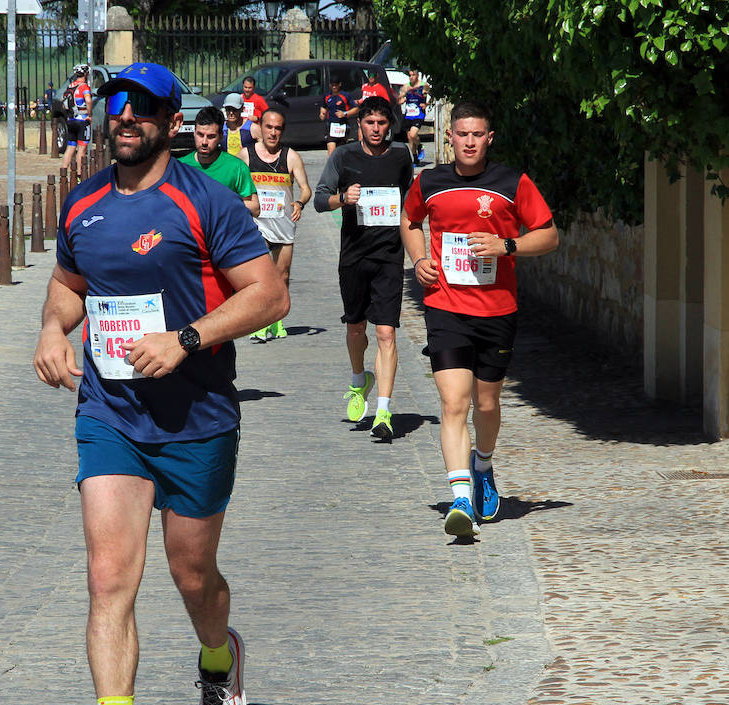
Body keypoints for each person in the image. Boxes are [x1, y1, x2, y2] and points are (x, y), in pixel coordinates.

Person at [32, 61, 287, 705]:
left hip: (197, 418)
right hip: (111, 415)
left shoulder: (204, 201)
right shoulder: (83, 204)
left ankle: (219, 657)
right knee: (110, 575)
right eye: (117, 105)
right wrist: (52, 329)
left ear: (172, 123)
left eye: (144, 108)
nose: (126, 117)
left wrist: (188, 338)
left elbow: (270, 294)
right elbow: (66, 288)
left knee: (192, 575)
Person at [401, 101, 559, 537]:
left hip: (497, 311)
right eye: (461, 134)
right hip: (445, 306)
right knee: (454, 403)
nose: (469, 142)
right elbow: (410, 220)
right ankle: (460, 499)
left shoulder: (512, 182)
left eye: (477, 135)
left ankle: (483, 466)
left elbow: (548, 235)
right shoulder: (430, 182)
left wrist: (505, 246)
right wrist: (418, 260)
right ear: (448, 137)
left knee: (486, 404)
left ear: (489, 138)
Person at [313, 96, 415, 441]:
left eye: (382, 123)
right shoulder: (344, 156)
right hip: (353, 257)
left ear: (390, 126)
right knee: (356, 328)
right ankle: (360, 380)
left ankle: (383, 412)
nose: (376, 129)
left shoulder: (401, 156)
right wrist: (343, 199)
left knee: (386, 333)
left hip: (389, 256)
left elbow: (411, 204)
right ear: (360, 126)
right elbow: (319, 200)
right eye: (370, 123)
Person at [237, 106, 310, 342]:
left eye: (278, 128)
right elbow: (232, 183)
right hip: (256, 226)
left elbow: (306, 189)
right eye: (269, 127)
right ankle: (260, 323)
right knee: (259, 277)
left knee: (282, 276)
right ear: (260, 127)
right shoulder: (246, 155)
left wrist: (299, 202)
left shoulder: (290, 156)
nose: (272, 133)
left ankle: (276, 321)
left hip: (283, 225)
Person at [178, 106, 259, 218]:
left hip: (225, 233)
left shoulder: (236, 167)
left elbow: (255, 208)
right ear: (194, 133)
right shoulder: (180, 167)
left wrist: (222, 202)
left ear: (221, 136)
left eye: (211, 137)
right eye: (200, 135)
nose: (204, 142)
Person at [60, 64, 91, 172]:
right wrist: (90, 115)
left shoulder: (71, 86)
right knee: (82, 150)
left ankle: (63, 173)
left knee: (70, 147)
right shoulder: (84, 86)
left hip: (71, 120)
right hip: (82, 120)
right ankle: (79, 176)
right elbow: (88, 101)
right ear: (86, 74)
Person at [399, 70, 431, 165]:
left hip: (418, 114)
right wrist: (401, 100)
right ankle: (415, 158)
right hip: (408, 114)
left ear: (417, 75)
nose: (411, 77)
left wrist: (426, 104)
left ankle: (420, 146)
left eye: (413, 75)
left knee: (413, 135)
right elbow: (401, 97)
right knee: (409, 138)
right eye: (410, 75)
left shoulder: (424, 85)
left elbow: (432, 96)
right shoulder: (406, 87)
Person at [320, 77, 354, 155]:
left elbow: (356, 108)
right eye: (332, 85)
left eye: (336, 85)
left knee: (340, 152)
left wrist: (345, 113)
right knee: (331, 151)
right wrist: (322, 113)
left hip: (342, 125)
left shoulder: (345, 96)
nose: (334, 87)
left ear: (340, 84)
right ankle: (331, 166)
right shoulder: (327, 96)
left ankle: (341, 166)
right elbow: (323, 107)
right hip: (331, 126)